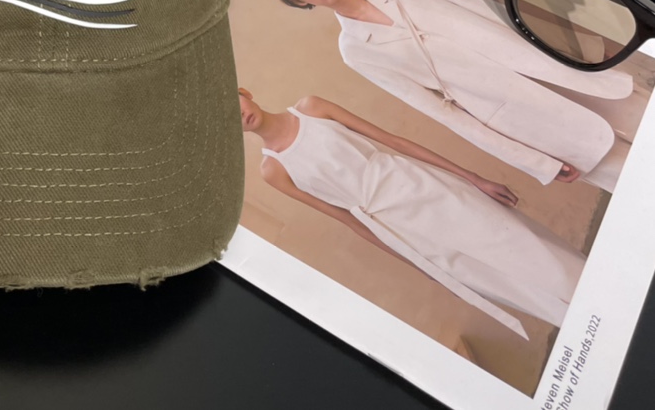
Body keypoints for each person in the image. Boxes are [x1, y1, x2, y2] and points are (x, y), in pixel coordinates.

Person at [263, 0, 639, 191]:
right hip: (516, 113)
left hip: (548, 64)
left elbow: (484, 7)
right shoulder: (355, 50)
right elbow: (438, 111)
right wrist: (535, 162)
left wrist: (580, 46)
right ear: (299, 3)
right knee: (632, 178)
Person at [239, 88, 585, 338]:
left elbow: (394, 141)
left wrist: (473, 178)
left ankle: (595, 290)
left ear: (244, 92)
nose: (237, 114)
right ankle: (583, 323)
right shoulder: (273, 171)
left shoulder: (311, 107)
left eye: (232, 102)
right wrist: (418, 265)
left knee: (518, 241)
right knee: (493, 279)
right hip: (398, 227)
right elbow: (346, 219)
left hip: (422, 186)